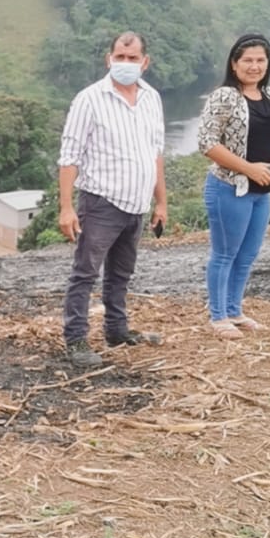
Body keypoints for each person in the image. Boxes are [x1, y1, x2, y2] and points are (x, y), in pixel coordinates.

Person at [58, 31, 167, 369]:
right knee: (85, 272)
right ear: (109, 59)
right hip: (101, 201)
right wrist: (66, 207)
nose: (125, 63)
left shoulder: (152, 98)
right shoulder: (89, 99)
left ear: (145, 62)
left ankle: (116, 330)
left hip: (137, 203)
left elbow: (156, 153)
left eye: (132, 58)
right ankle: (76, 338)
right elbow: (70, 156)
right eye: (120, 57)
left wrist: (161, 202)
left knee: (121, 273)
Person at [198, 32, 270, 338]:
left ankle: (234, 310)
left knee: (247, 254)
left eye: (260, 60)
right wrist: (249, 169)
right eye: (248, 60)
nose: (254, 66)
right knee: (225, 253)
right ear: (234, 64)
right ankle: (218, 316)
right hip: (230, 187)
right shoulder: (224, 96)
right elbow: (207, 143)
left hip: (262, 190)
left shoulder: (269, 94)